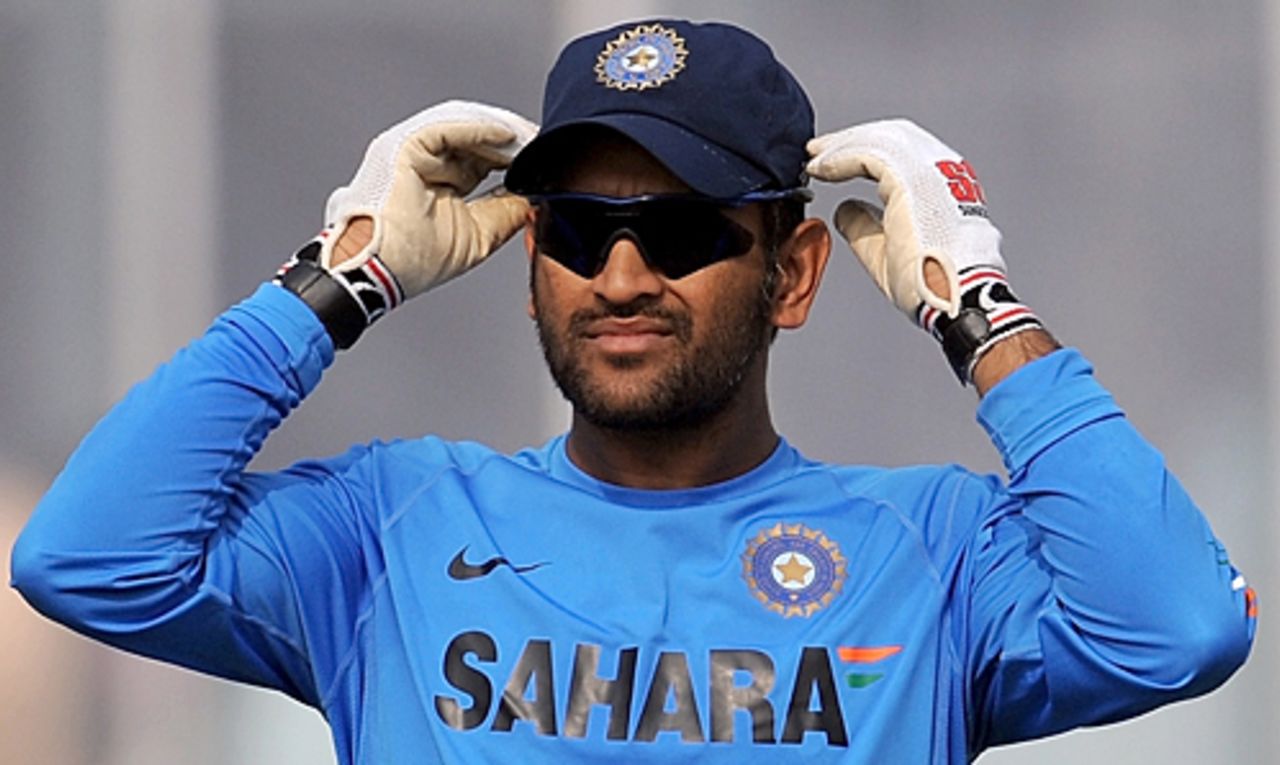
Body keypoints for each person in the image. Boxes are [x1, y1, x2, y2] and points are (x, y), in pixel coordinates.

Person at [9, 17, 1257, 764]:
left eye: (680, 234)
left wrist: (977, 307)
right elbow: (88, 556)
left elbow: (1177, 626)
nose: (618, 274)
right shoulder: (391, 527)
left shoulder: (926, 547)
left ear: (793, 271)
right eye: (576, 228)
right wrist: (335, 285)